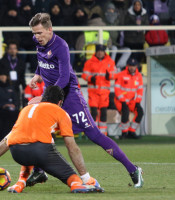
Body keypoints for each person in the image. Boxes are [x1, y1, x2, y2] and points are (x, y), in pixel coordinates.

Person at [22, 13, 143, 189]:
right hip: (52, 98)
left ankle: (133, 170)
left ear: (50, 29)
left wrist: (43, 97)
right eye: (34, 33)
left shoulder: (61, 46)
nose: (36, 37)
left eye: (39, 33)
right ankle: (40, 170)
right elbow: (42, 60)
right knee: (41, 131)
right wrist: (37, 75)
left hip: (70, 97)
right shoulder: (39, 43)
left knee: (94, 134)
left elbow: (64, 78)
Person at [0, 86, 104, 194]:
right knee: (73, 179)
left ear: (42, 98)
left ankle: (20, 183)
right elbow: (72, 147)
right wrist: (86, 177)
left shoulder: (26, 110)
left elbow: (7, 140)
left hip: (17, 153)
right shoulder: (60, 111)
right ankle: (77, 184)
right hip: (41, 152)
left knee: (30, 145)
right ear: (60, 102)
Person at [82, 44, 116, 136]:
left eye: (101, 51)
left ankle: (103, 134)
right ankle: (94, 132)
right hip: (93, 93)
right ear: (96, 52)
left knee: (103, 113)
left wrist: (110, 76)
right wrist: (90, 78)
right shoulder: (89, 62)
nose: (100, 53)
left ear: (104, 52)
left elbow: (115, 74)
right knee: (93, 112)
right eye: (98, 51)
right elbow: (84, 75)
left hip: (104, 93)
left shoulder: (110, 62)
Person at [114, 57, 144, 139]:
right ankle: (124, 133)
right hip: (120, 101)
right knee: (125, 112)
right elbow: (117, 89)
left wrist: (137, 102)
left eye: (133, 66)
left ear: (136, 66)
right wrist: (123, 101)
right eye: (130, 65)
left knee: (140, 112)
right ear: (127, 66)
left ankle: (131, 131)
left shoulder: (139, 76)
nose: (132, 67)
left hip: (132, 101)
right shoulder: (121, 74)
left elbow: (140, 90)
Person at [0, 67, 19, 142]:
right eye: (1, 75)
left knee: (16, 114)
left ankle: (14, 136)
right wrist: (3, 105)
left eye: (4, 75)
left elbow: (16, 100)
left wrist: (14, 105)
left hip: (11, 109)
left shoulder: (11, 87)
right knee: (5, 115)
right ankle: (1, 136)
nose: (2, 77)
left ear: (7, 77)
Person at [0, 40, 26, 109]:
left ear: (17, 50)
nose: (12, 50)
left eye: (14, 48)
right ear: (8, 50)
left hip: (16, 87)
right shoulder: (2, 61)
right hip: (5, 88)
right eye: (11, 48)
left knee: (17, 107)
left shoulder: (21, 62)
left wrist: (24, 87)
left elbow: (22, 76)